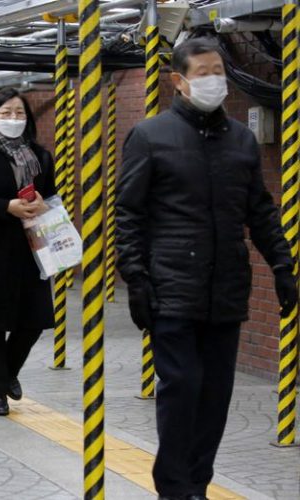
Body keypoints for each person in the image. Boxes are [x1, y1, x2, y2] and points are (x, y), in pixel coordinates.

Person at [116, 37, 297, 500]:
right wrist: (135, 278)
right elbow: (129, 213)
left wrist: (282, 264)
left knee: (215, 394)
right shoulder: (150, 136)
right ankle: (175, 488)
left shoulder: (240, 140)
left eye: (219, 70)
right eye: (203, 73)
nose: (214, 79)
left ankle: (196, 484)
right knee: (182, 387)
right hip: (171, 288)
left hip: (226, 289)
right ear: (179, 81)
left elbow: (260, 210)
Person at [0, 88, 56, 416]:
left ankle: (6, 374)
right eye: (6, 113)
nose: (13, 119)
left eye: (19, 113)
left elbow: (51, 197)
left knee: (33, 321)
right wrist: (6, 207)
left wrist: (43, 205)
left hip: (31, 249)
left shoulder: (41, 156)